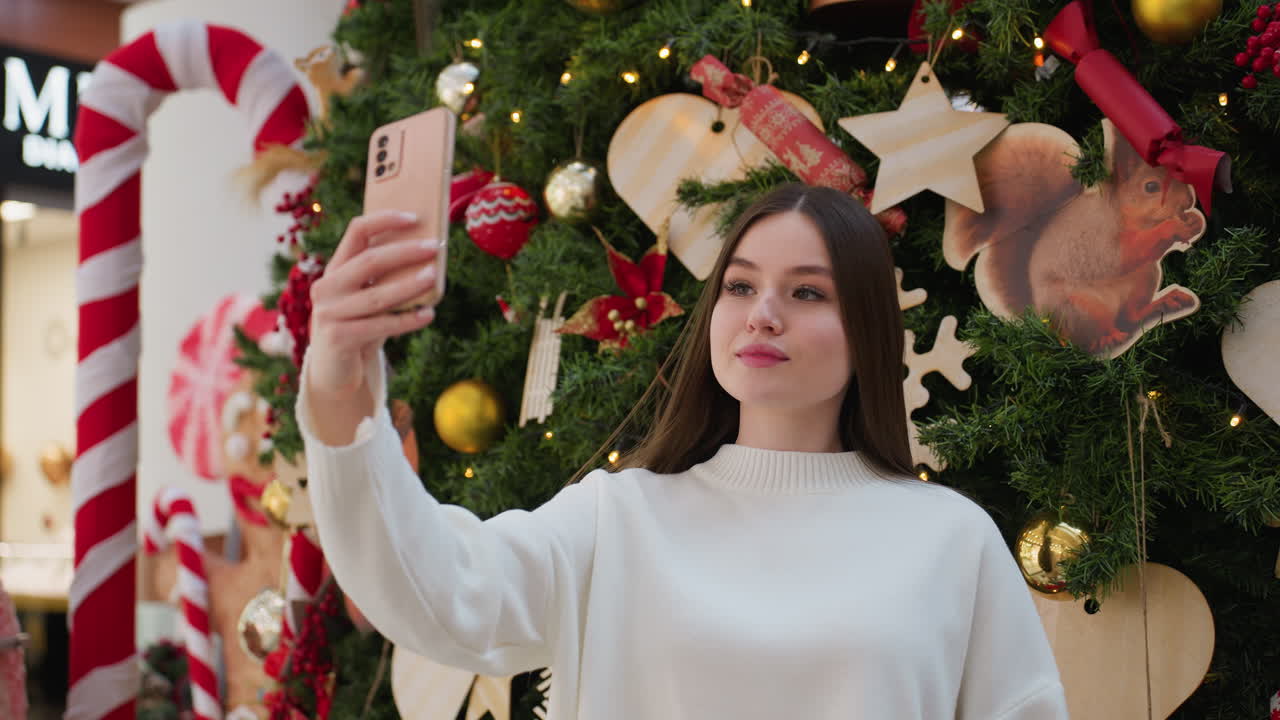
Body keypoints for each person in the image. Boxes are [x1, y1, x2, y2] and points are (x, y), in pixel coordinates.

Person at [299, 183, 1069, 719]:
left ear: (867, 330)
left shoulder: (948, 539)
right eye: (739, 287)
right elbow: (435, 592)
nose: (762, 314)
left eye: (807, 292)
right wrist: (339, 389)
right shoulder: (620, 518)